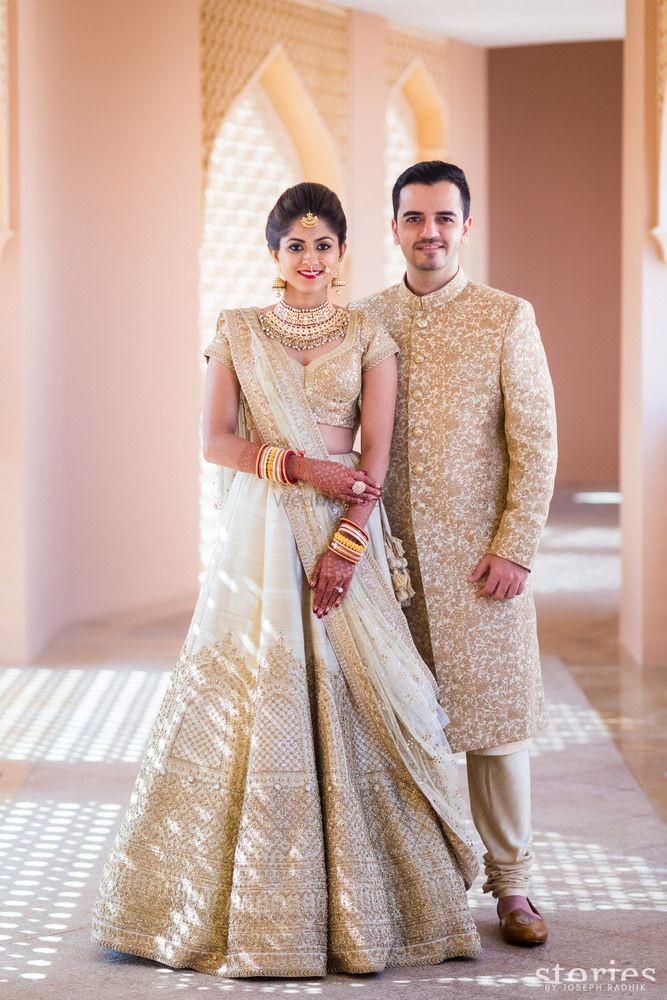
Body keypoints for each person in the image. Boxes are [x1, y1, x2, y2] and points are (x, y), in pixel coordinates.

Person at [91, 182, 481, 979]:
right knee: (256, 691)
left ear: (341, 254)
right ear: (274, 254)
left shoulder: (370, 334)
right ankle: (234, 906)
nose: (309, 259)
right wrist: (299, 466)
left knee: (360, 683)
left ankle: (376, 901)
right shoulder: (236, 331)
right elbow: (213, 441)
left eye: (323, 245)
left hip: (344, 522)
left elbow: (375, 453)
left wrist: (346, 541)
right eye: (294, 245)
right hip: (264, 529)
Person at [351, 161, 558, 947]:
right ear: (393, 226)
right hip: (386, 567)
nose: (428, 232)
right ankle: (421, 883)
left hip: (481, 571)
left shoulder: (506, 316)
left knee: (496, 731)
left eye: (443, 218)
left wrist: (515, 546)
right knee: (395, 729)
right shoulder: (366, 320)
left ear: (465, 227)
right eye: (414, 218)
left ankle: (512, 889)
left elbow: (533, 441)